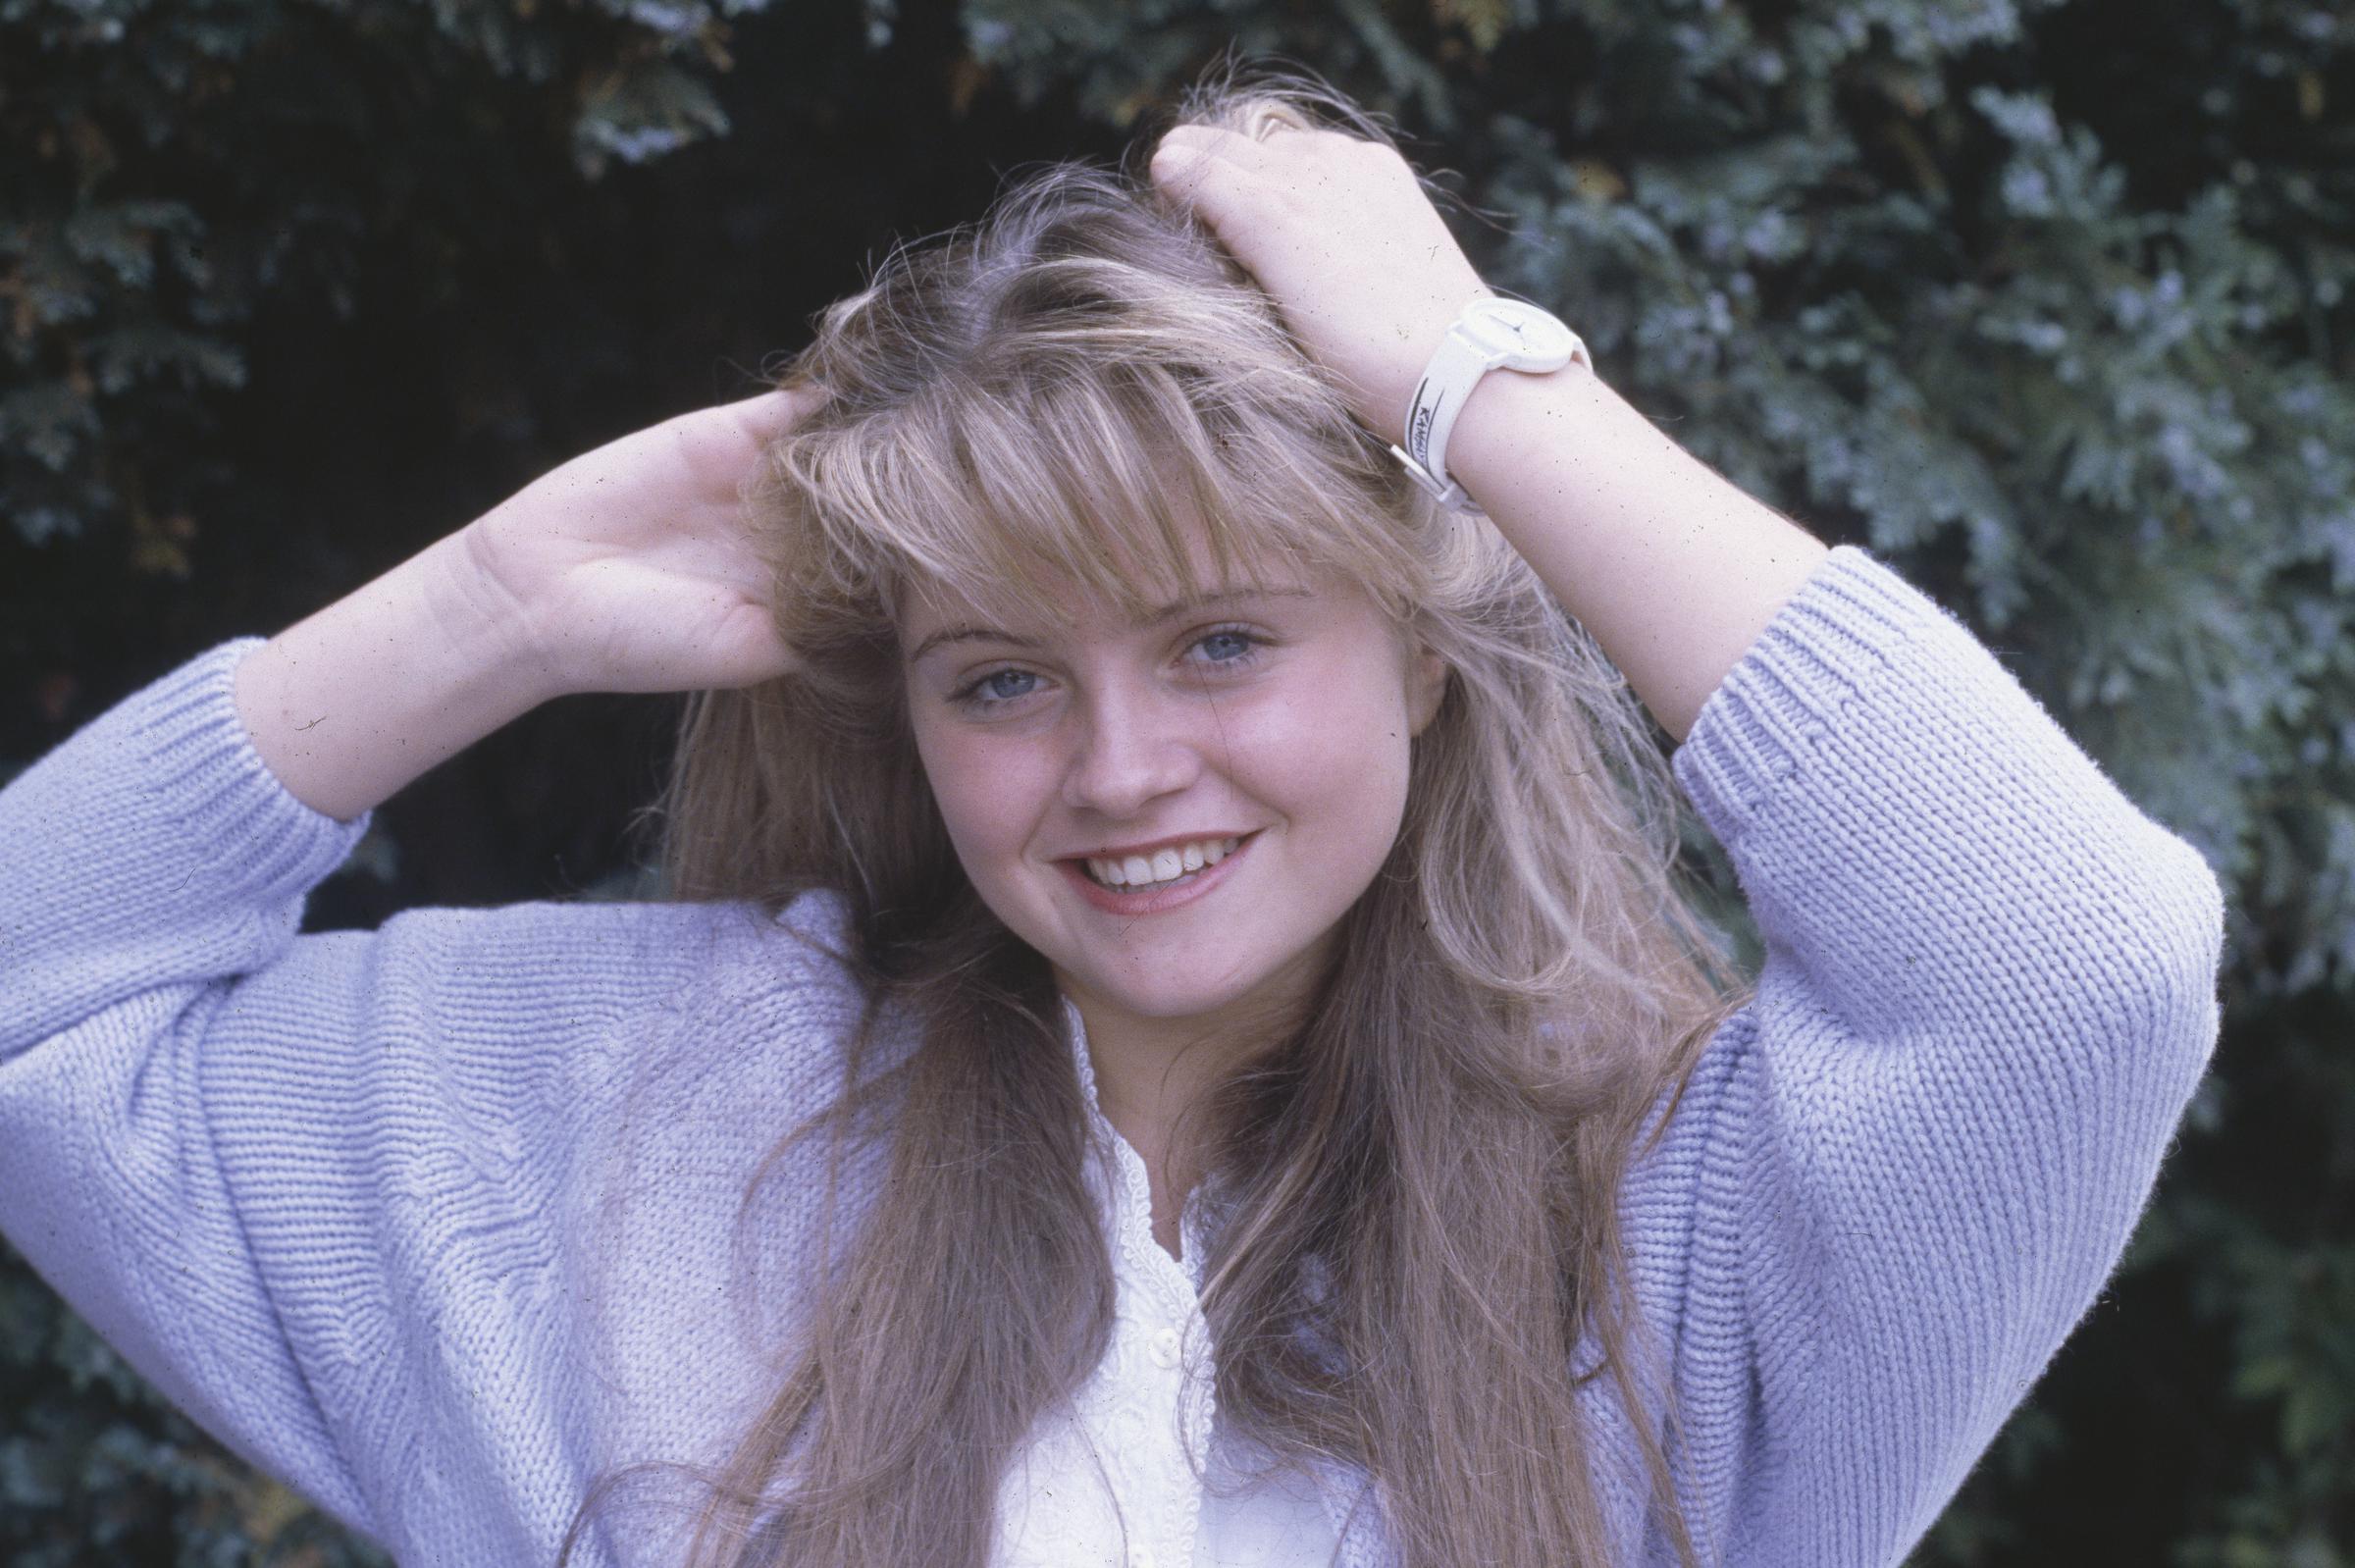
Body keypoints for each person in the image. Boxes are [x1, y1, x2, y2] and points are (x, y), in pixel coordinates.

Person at [0, 63, 2224, 1568]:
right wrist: (483, 608)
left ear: (1425, 648)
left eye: (1224, 642)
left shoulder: (1675, 1223)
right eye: (1004, 677)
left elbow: (2076, 971)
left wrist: (1469, 375)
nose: (1123, 765)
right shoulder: (624, 1110)